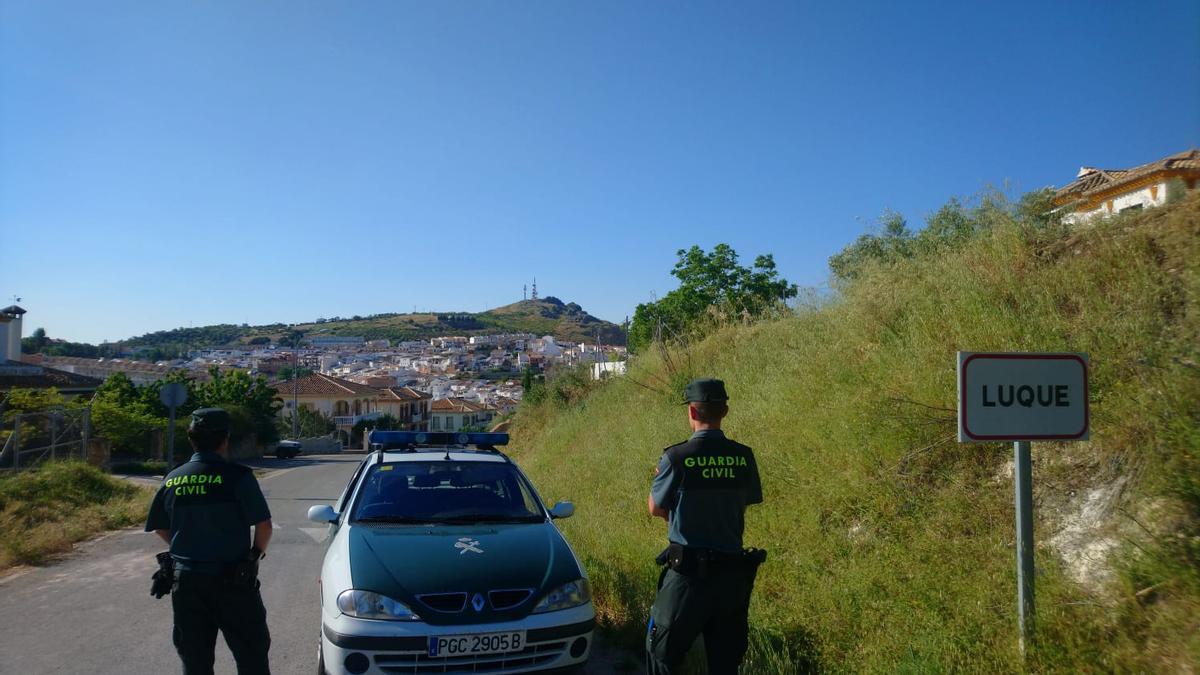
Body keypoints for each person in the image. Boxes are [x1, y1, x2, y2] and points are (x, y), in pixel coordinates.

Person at [646, 378, 764, 675]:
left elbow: (655, 507)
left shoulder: (676, 457)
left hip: (687, 577)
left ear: (692, 413)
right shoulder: (743, 456)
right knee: (726, 662)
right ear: (724, 411)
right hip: (733, 576)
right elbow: (744, 501)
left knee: (661, 652)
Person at [145, 407, 274, 675]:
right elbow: (264, 525)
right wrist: (255, 555)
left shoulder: (173, 479)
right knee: (252, 656)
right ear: (225, 439)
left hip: (188, 582)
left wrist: (185, 544)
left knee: (195, 661)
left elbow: (159, 526)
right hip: (233, 582)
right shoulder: (238, 477)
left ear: (192, 439)